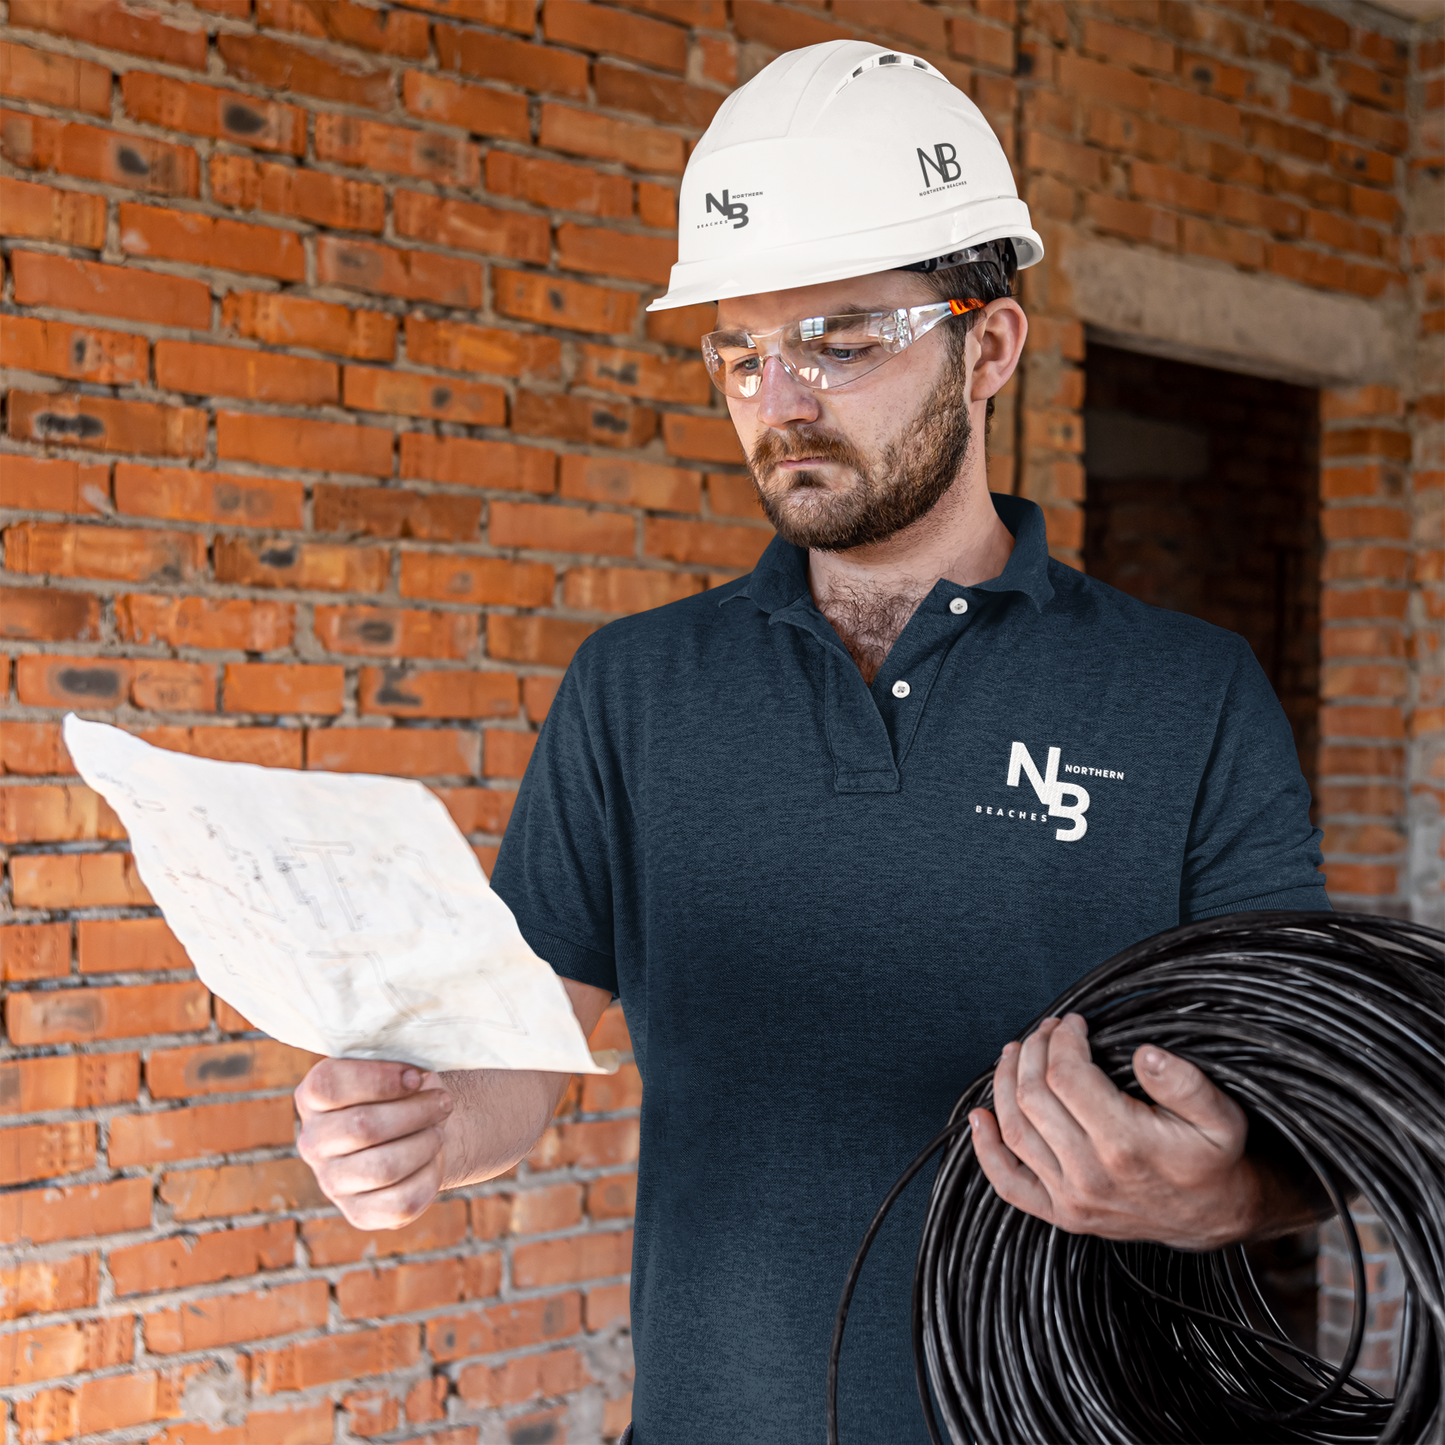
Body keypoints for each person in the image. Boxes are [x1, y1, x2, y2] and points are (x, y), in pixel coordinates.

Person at [295, 39, 1330, 1445]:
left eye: (840, 340)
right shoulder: (634, 688)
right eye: (741, 353)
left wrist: (1214, 1194)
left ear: (991, 346)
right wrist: (430, 1131)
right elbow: (524, 1042)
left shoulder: (1189, 695)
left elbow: (1314, 1125)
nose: (779, 400)